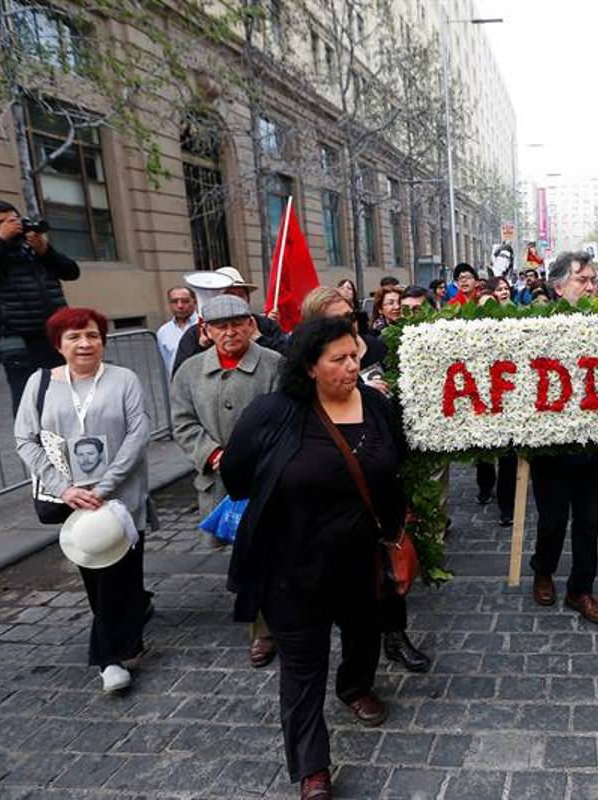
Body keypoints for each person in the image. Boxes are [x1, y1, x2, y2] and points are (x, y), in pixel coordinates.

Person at [222, 317, 407, 798]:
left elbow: (395, 465)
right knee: (303, 669)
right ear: (309, 367)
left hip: (363, 563)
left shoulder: (377, 405)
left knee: (364, 636)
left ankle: (356, 687)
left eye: (356, 355)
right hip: (292, 568)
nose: (353, 366)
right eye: (340, 359)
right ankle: (312, 768)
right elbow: (238, 478)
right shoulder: (271, 413)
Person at [14, 307, 151, 693]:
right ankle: (120, 643)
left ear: (103, 341)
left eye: (92, 335)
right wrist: (63, 488)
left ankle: (114, 653)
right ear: (58, 345)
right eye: (74, 337)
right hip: (73, 499)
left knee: (121, 570)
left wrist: (105, 487)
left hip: (120, 495)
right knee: (97, 574)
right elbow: (26, 439)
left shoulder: (124, 379)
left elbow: (137, 435)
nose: (85, 343)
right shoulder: (39, 383)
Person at [300, 288, 428, 672]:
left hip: (379, 475)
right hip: (333, 493)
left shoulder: (376, 347)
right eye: (332, 321)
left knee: (387, 567)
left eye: (348, 317)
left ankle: (395, 635)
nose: (345, 327)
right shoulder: (301, 372)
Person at [171, 294, 282, 667]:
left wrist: (263, 459)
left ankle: (283, 618)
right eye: (220, 326)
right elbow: (183, 423)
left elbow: (288, 416)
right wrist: (215, 455)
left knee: (275, 551)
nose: (230, 332)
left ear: (252, 326)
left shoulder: (275, 365)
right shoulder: (189, 372)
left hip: (270, 478)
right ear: (207, 330)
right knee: (246, 556)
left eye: (238, 323)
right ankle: (261, 629)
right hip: (222, 483)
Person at [529, 251, 598, 625]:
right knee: (552, 518)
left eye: (594, 280)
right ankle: (543, 571)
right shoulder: (535, 327)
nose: (592, 286)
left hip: (592, 446)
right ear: (560, 286)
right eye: (584, 280)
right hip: (550, 449)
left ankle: (581, 589)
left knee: (589, 520)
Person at [0, 199, 81, 414]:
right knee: (28, 400)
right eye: (0, 222)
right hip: (16, 338)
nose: (9, 226)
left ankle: (67, 445)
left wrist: (45, 250)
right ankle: (33, 446)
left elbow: (72, 272)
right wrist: (0, 240)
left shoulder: (31, 248)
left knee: (64, 394)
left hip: (54, 334)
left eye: (13, 220)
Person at [172, 267, 289, 376]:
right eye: (230, 295)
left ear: (247, 298)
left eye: (241, 295)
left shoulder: (265, 324)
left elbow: (290, 359)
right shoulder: (194, 334)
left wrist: (259, 339)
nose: (235, 300)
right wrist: (201, 347)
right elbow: (181, 377)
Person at [156, 285, 198, 376]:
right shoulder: (163, 332)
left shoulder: (205, 325)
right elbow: (168, 363)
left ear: (195, 302)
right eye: (174, 301)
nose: (180, 306)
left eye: (185, 301)